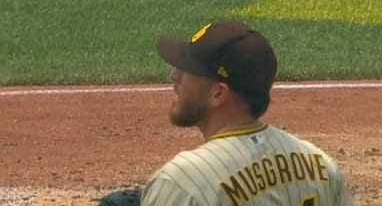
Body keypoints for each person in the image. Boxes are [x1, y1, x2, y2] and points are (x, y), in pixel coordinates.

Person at [142, 21, 355, 206]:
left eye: (187, 69)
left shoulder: (182, 185)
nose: (174, 75)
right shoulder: (321, 167)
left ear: (218, 93)